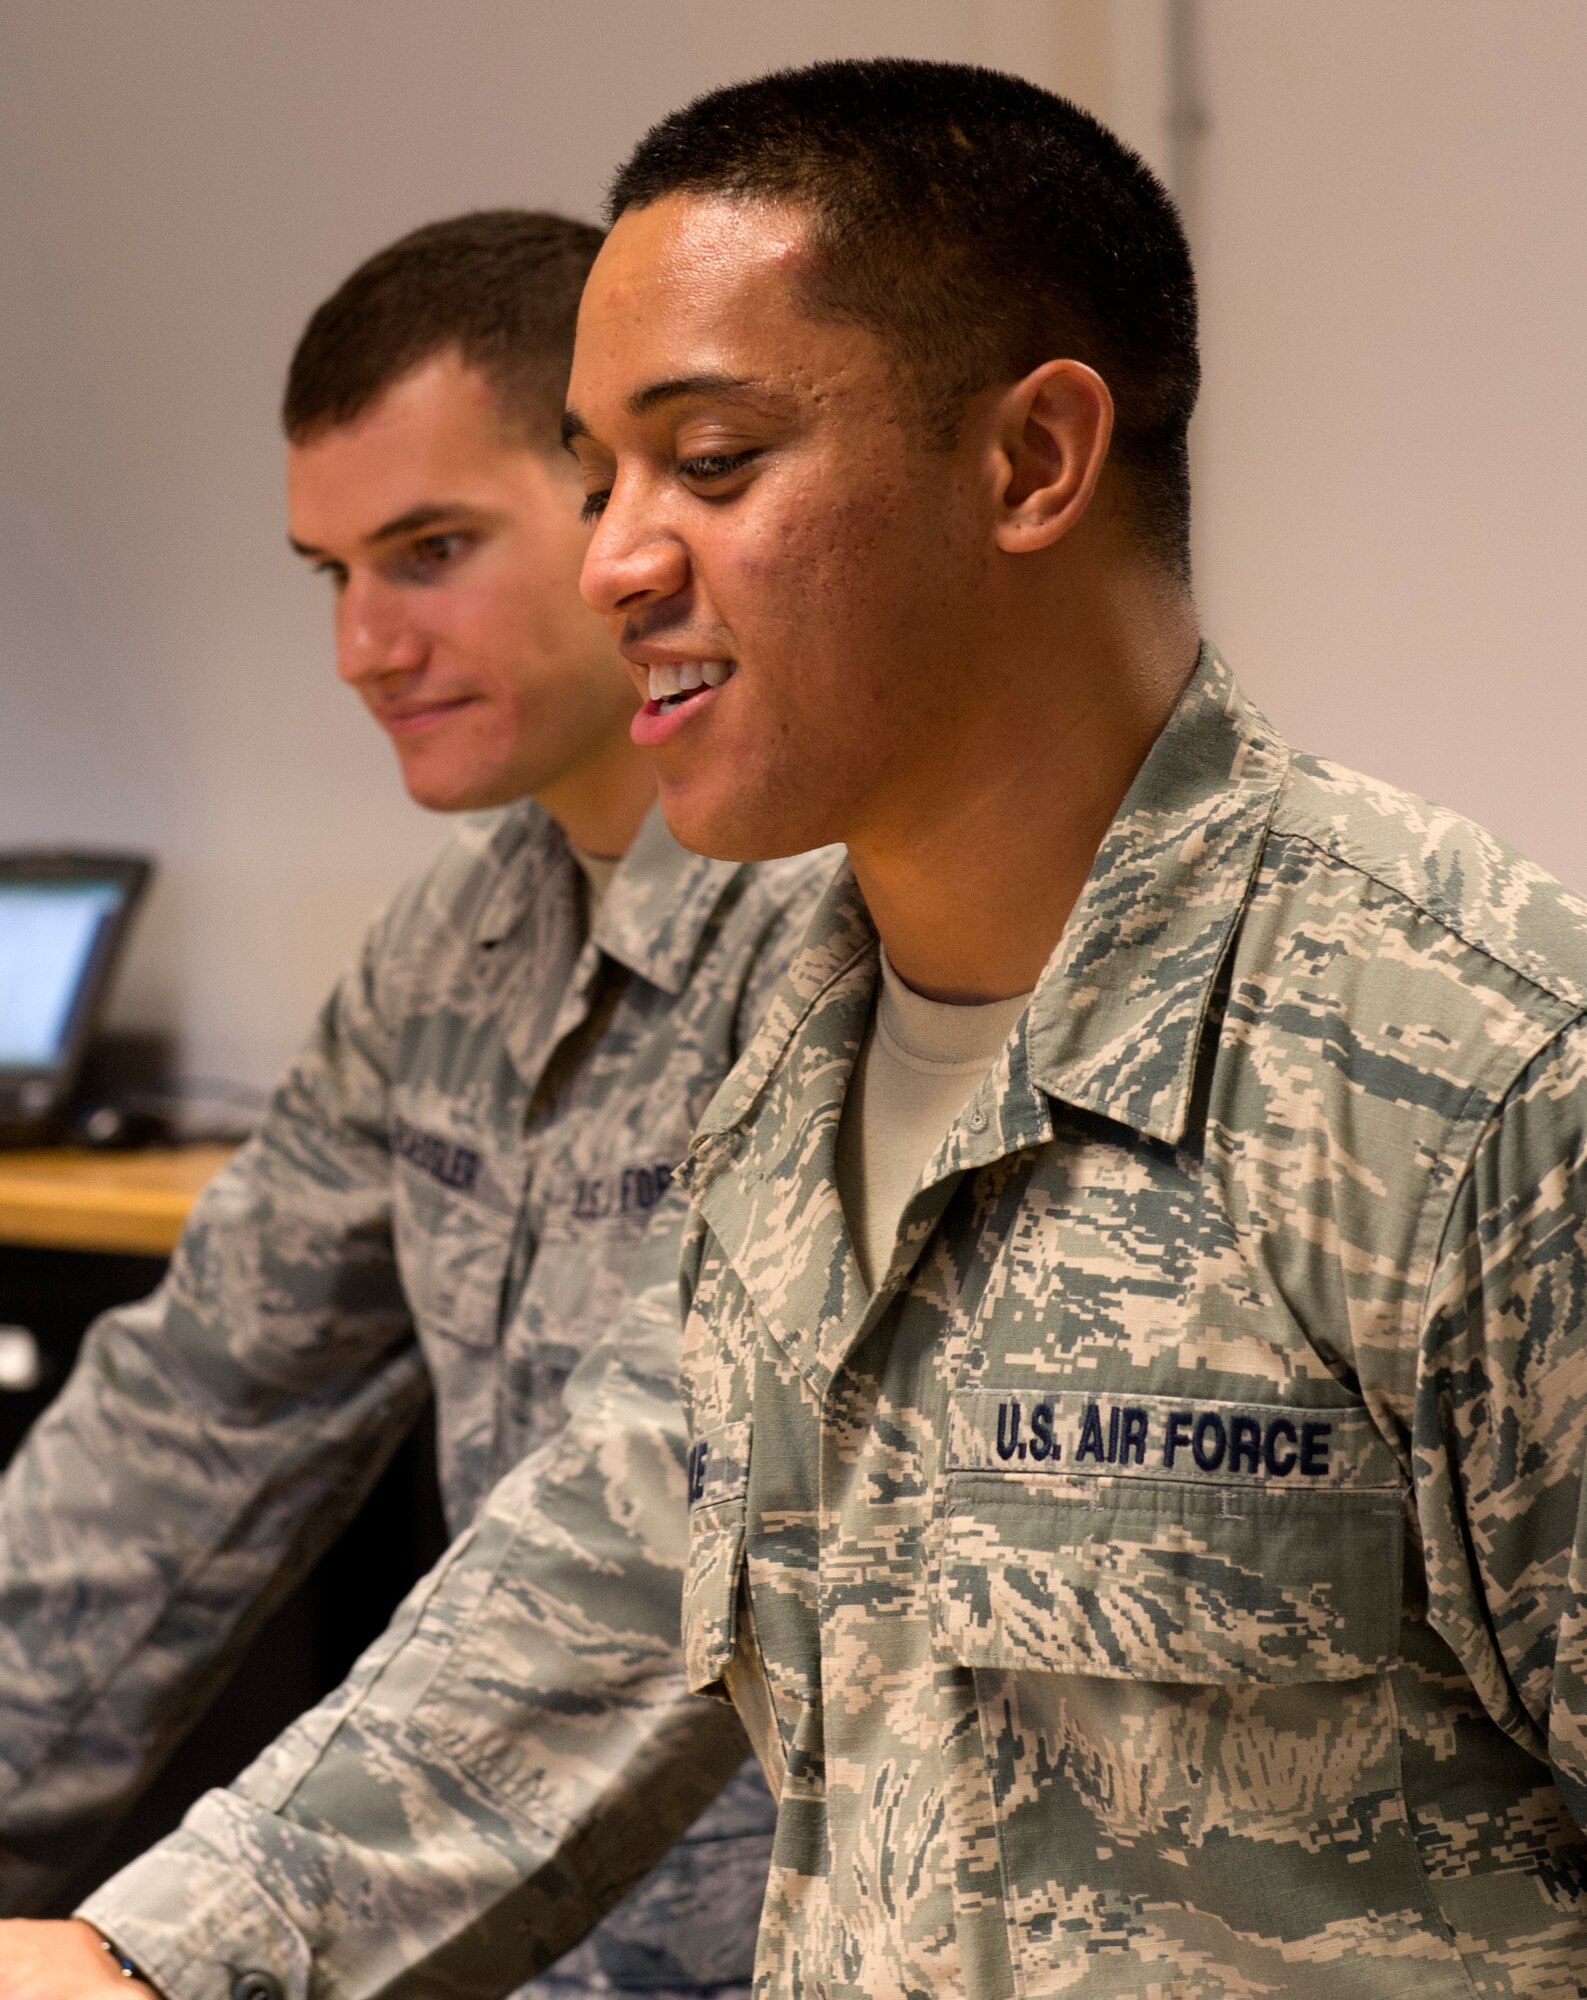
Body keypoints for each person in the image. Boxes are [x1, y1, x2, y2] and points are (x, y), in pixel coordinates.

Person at [557, 59, 1587, 1997]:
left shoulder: (1479, 1092)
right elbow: (593, 1610)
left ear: (1029, 463)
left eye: (705, 464)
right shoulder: (776, 1054)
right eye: (593, 471)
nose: (611, 556)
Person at [0, 212, 833, 1999]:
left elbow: (660, 1533)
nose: (365, 646)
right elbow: (188, 1422)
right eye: (330, 574)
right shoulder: (450, 946)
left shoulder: (857, 929)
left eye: (431, 551)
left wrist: (154, 1961)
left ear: (623, 514)